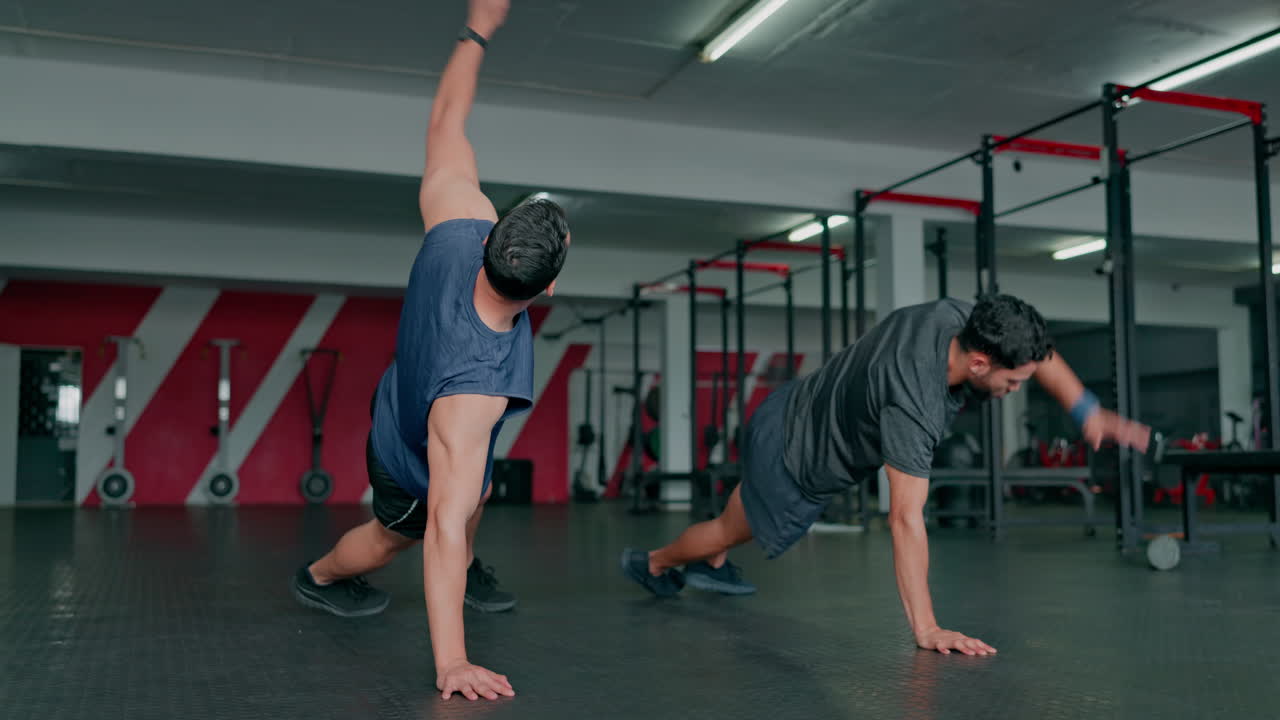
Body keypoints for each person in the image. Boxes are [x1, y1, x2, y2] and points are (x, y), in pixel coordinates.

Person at [293, 0, 568, 701]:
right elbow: (443, 524)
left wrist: (478, 26)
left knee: (468, 496)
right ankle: (322, 576)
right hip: (411, 446)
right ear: (547, 288)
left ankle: (463, 562)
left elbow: (447, 118)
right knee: (406, 534)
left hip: (419, 394)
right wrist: (453, 663)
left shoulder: (459, 219)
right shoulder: (474, 394)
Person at [622, 295, 1149, 657]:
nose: (1018, 389)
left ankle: (710, 560)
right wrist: (927, 628)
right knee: (731, 528)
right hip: (793, 460)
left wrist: (1088, 411)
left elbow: (1042, 356)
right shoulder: (912, 403)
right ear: (982, 364)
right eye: (1014, 382)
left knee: (733, 517)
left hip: (789, 411)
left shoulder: (963, 318)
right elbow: (904, 519)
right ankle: (655, 563)